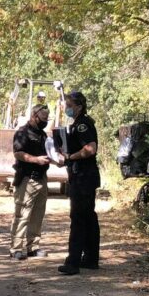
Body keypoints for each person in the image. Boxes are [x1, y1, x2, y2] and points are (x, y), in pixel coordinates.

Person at [57, 91, 100, 275]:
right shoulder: (78, 123)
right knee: (88, 217)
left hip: (83, 178)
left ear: (79, 106)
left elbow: (90, 149)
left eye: (69, 105)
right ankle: (90, 259)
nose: (67, 108)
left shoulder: (83, 124)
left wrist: (70, 157)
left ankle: (73, 262)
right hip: (83, 177)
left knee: (79, 218)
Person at [9, 104, 51, 260]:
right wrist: (36, 160)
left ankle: (33, 247)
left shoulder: (43, 135)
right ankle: (15, 249)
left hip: (42, 179)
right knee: (22, 215)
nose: (45, 121)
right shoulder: (22, 133)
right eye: (43, 118)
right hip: (27, 178)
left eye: (47, 119)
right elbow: (18, 153)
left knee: (37, 216)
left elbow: (48, 153)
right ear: (34, 116)